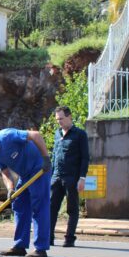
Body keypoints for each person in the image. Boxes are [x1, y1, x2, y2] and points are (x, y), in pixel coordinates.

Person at [0, 128, 52, 257]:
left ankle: (40, 248)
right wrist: (10, 189)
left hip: (39, 169)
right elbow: (5, 173)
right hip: (25, 175)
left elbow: (35, 135)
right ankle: (20, 245)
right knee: (19, 204)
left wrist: (46, 158)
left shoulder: (7, 136)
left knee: (39, 207)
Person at [49, 106, 90, 248]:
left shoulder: (80, 134)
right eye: (57, 119)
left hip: (72, 178)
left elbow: (85, 158)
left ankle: (69, 238)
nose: (59, 122)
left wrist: (82, 178)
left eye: (61, 119)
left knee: (72, 209)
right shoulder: (57, 133)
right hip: (56, 177)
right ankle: (49, 237)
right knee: (51, 208)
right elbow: (54, 155)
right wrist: (51, 175)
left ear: (69, 117)